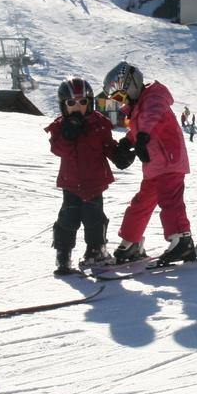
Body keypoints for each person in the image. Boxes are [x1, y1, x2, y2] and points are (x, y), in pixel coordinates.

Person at [104, 61, 197, 265]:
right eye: (116, 99)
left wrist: (142, 137)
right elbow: (140, 126)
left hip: (170, 161)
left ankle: (182, 239)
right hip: (155, 166)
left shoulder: (154, 96)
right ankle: (131, 242)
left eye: (120, 96)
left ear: (131, 85)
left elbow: (151, 116)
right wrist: (128, 141)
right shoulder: (138, 106)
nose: (120, 102)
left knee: (170, 200)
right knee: (141, 203)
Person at [46, 76, 131, 276]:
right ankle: (63, 254)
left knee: (95, 219)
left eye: (83, 102)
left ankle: (96, 250)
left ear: (90, 103)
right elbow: (57, 149)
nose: (77, 107)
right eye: (71, 103)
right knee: (68, 218)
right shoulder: (59, 126)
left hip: (95, 182)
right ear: (63, 105)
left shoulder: (99, 123)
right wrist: (68, 134)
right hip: (71, 183)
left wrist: (119, 156)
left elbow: (108, 146)